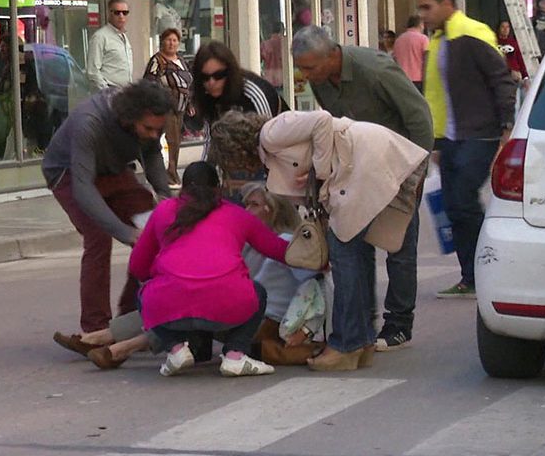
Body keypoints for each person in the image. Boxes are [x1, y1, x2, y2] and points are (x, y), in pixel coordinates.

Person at [290, 25, 433, 352]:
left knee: (398, 246)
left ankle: (399, 324)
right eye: (301, 68)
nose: (305, 75)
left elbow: (420, 118)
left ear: (332, 55)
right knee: (354, 241)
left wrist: (416, 174)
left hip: (399, 165)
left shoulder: (375, 70)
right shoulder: (321, 79)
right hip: (358, 169)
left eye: (310, 67)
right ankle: (363, 322)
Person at [257, 110, 429, 371]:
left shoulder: (270, 134)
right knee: (351, 252)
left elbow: (322, 120)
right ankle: (360, 341)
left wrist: (320, 171)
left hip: (361, 162)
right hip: (359, 164)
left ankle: (347, 344)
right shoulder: (270, 147)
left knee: (344, 253)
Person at [130, 161, 286, 377]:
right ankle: (235, 354)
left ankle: (175, 349)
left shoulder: (163, 211)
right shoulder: (236, 214)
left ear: (183, 189)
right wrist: (322, 260)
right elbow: (279, 250)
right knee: (257, 292)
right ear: (218, 189)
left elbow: (137, 267)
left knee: (144, 294)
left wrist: (165, 279)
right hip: (227, 308)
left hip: (171, 310)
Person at [42, 80, 174, 333]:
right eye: (148, 128)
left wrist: (164, 195)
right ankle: (97, 328)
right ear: (129, 118)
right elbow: (83, 188)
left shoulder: (152, 120)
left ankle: (131, 316)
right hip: (69, 173)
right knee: (99, 237)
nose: (153, 134)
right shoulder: (89, 122)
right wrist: (125, 232)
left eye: (158, 129)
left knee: (153, 230)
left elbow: (152, 153)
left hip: (112, 168)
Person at [416, 0, 516, 298]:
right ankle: (470, 276)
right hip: (449, 138)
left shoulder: (473, 34)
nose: (423, 15)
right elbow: (435, 96)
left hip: (479, 134)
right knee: (453, 206)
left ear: (447, 3)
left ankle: (486, 269)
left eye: (427, 7)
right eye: (420, 9)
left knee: (463, 201)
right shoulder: (437, 41)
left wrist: (506, 129)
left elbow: (501, 81)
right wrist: (435, 141)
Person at [242, 183, 326, 365]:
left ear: (272, 211)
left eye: (254, 205)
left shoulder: (288, 243)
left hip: (271, 319)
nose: (247, 211)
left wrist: (307, 329)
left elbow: (315, 284)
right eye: (246, 204)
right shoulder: (251, 242)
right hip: (257, 314)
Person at [190, 41, 286, 195]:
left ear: (229, 73)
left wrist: (271, 184)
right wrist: (205, 173)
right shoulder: (207, 97)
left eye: (218, 75)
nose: (211, 82)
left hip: (271, 157)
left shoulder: (252, 92)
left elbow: (271, 138)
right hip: (238, 159)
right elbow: (211, 139)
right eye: (205, 77)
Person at [143, 28, 192, 187]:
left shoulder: (181, 60)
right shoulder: (158, 60)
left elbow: (187, 83)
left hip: (181, 107)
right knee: (170, 140)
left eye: (175, 40)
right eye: (168, 40)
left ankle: (171, 172)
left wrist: (190, 103)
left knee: (176, 141)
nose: (171, 43)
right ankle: (169, 175)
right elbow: (149, 82)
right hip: (166, 108)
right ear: (162, 42)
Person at [86, 0, 133, 90]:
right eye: (117, 12)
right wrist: (107, 91)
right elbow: (93, 71)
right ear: (109, 13)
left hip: (125, 91)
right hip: (109, 91)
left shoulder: (123, 36)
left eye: (125, 12)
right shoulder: (100, 37)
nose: (121, 16)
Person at [393, 16, 429, 91]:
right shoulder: (423, 39)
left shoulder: (399, 40)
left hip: (402, 78)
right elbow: (427, 61)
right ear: (420, 24)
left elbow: (395, 60)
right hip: (418, 79)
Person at [260, 21, 285, 93]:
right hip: (284, 78)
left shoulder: (265, 44)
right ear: (282, 30)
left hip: (269, 79)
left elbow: (259, 60)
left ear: (271, 30)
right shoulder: (286, 44)